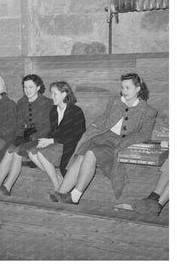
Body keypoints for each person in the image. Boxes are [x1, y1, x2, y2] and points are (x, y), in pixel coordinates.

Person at [50, 73, 157, 205]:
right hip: (102, 136)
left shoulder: (148, 111)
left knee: (91, 153)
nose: (124, 91)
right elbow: (104, 117)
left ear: (138, 88)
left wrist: (126, 142)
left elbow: (145, 134)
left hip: (118, 143)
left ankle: (75, 196)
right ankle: (61, 193)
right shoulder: (115, 101)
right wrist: (93, 127)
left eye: (128, 87)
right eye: (122, 87)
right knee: (80, 157)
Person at [0, 74, 52, 195]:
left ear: (38, 87)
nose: (27, 90)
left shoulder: (47, 103)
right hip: (24, 136)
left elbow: (46, 127)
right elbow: (19, 126)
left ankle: (7, 187)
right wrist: (21, 137)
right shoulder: (21, 103)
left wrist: (31, 137)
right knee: (9, 149)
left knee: (17, 152)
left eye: (31, 87)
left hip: (40, 138)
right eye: (25, 87)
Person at [27, 81, 86, 190]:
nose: (51, 97)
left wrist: (51, 141)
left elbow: (76, 136)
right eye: (51, 93)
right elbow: (54, 131)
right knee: (32, 153)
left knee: (40, 155)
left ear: (64, 94)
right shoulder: (54, 111)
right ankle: (60, 181)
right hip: (58, 144)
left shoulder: (76, 111)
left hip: (72, 146)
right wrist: (45, 140)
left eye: (54, 94)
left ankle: (57, 188)